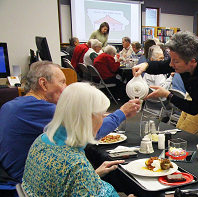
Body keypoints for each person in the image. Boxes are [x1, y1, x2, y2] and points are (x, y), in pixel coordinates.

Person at [22, 83, 173, 197]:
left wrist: (92, 176)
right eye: (101, 115)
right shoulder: (75, 166)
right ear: (87, 118)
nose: (103, 120)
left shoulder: (43, 141)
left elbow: (57, 184)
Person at [0, 61, 139, 183]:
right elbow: (91, 132)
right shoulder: (47, 111)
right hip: (27, 183)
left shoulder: (10, 106)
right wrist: (122, 112)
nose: (66, 87)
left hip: (14, 177)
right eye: (62, 82)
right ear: (43, 84)